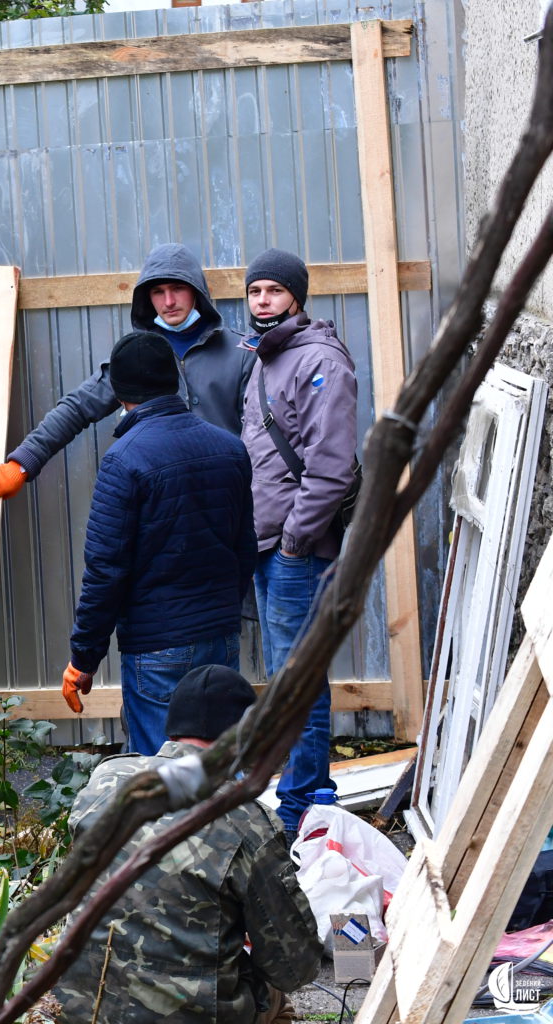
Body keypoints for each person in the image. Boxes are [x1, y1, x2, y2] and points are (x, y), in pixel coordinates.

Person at [53, 665, 322, 1024]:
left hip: (80, 1008)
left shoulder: (106, 780)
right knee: (276, 1000)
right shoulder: (245, 819)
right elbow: (295, 967)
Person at [63, 331, 257, 755]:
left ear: (119, 393)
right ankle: (236, 826)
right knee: (223, 764)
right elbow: (245, 547)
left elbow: (105, 570)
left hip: (158, 647)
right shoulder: (229, 449)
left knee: (161, 778)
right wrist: (223, 608)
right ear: (175, 380)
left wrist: (84, 657)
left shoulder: (124, 460)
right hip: (220, 636)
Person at [239, 248, 358, 838]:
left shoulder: (319, 361)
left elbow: (330, 468)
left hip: (295, 551)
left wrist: (292, 543)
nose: (263, 301)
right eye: (255, 291)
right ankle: (306, 799)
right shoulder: (267, 356)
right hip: (266, 544)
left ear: (297, 296)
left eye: (274, 291)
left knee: (295, 681)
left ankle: (303, 805)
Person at [0, 242, 255, 497]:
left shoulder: (241, 353)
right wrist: (22, 464)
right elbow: (78, 407)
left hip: (228, 498)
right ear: (146, 298)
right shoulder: (136, 356)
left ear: (197, 291)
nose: (169, 301)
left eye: (177, 288)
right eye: (158, 292)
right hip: (163, 503)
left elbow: (260, 439)